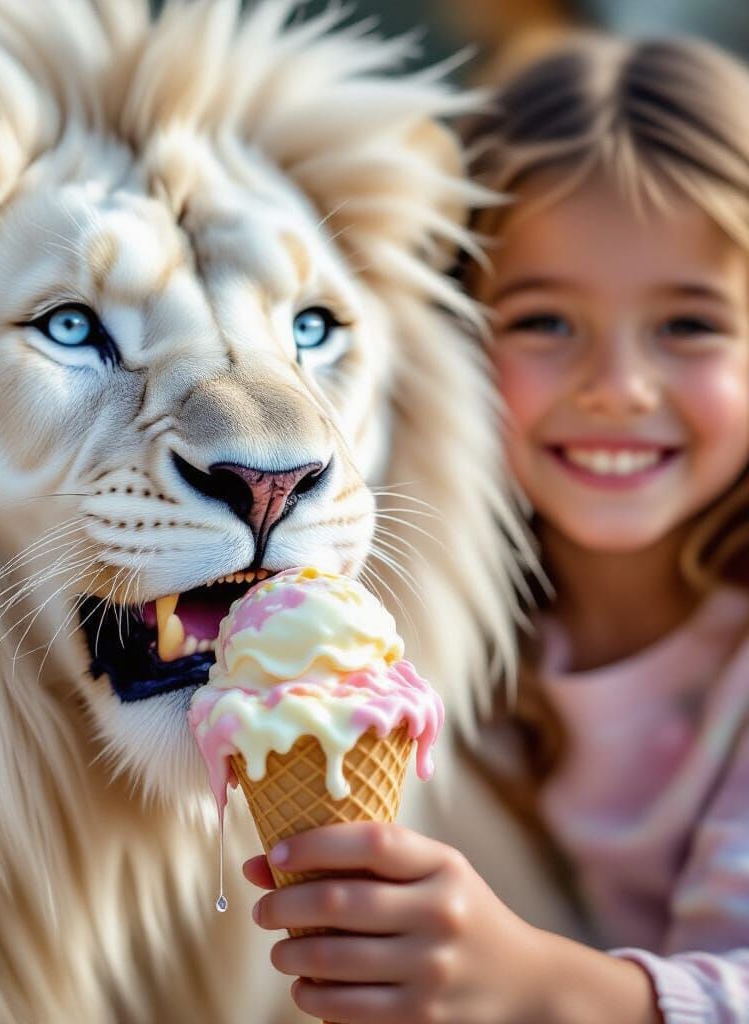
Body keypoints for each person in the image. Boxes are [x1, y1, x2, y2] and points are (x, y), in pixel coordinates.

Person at [244, 34, 749, 1024]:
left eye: (688, 324)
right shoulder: (408, 616)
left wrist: (540, 986)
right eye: (543, 322)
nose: (616, 388)